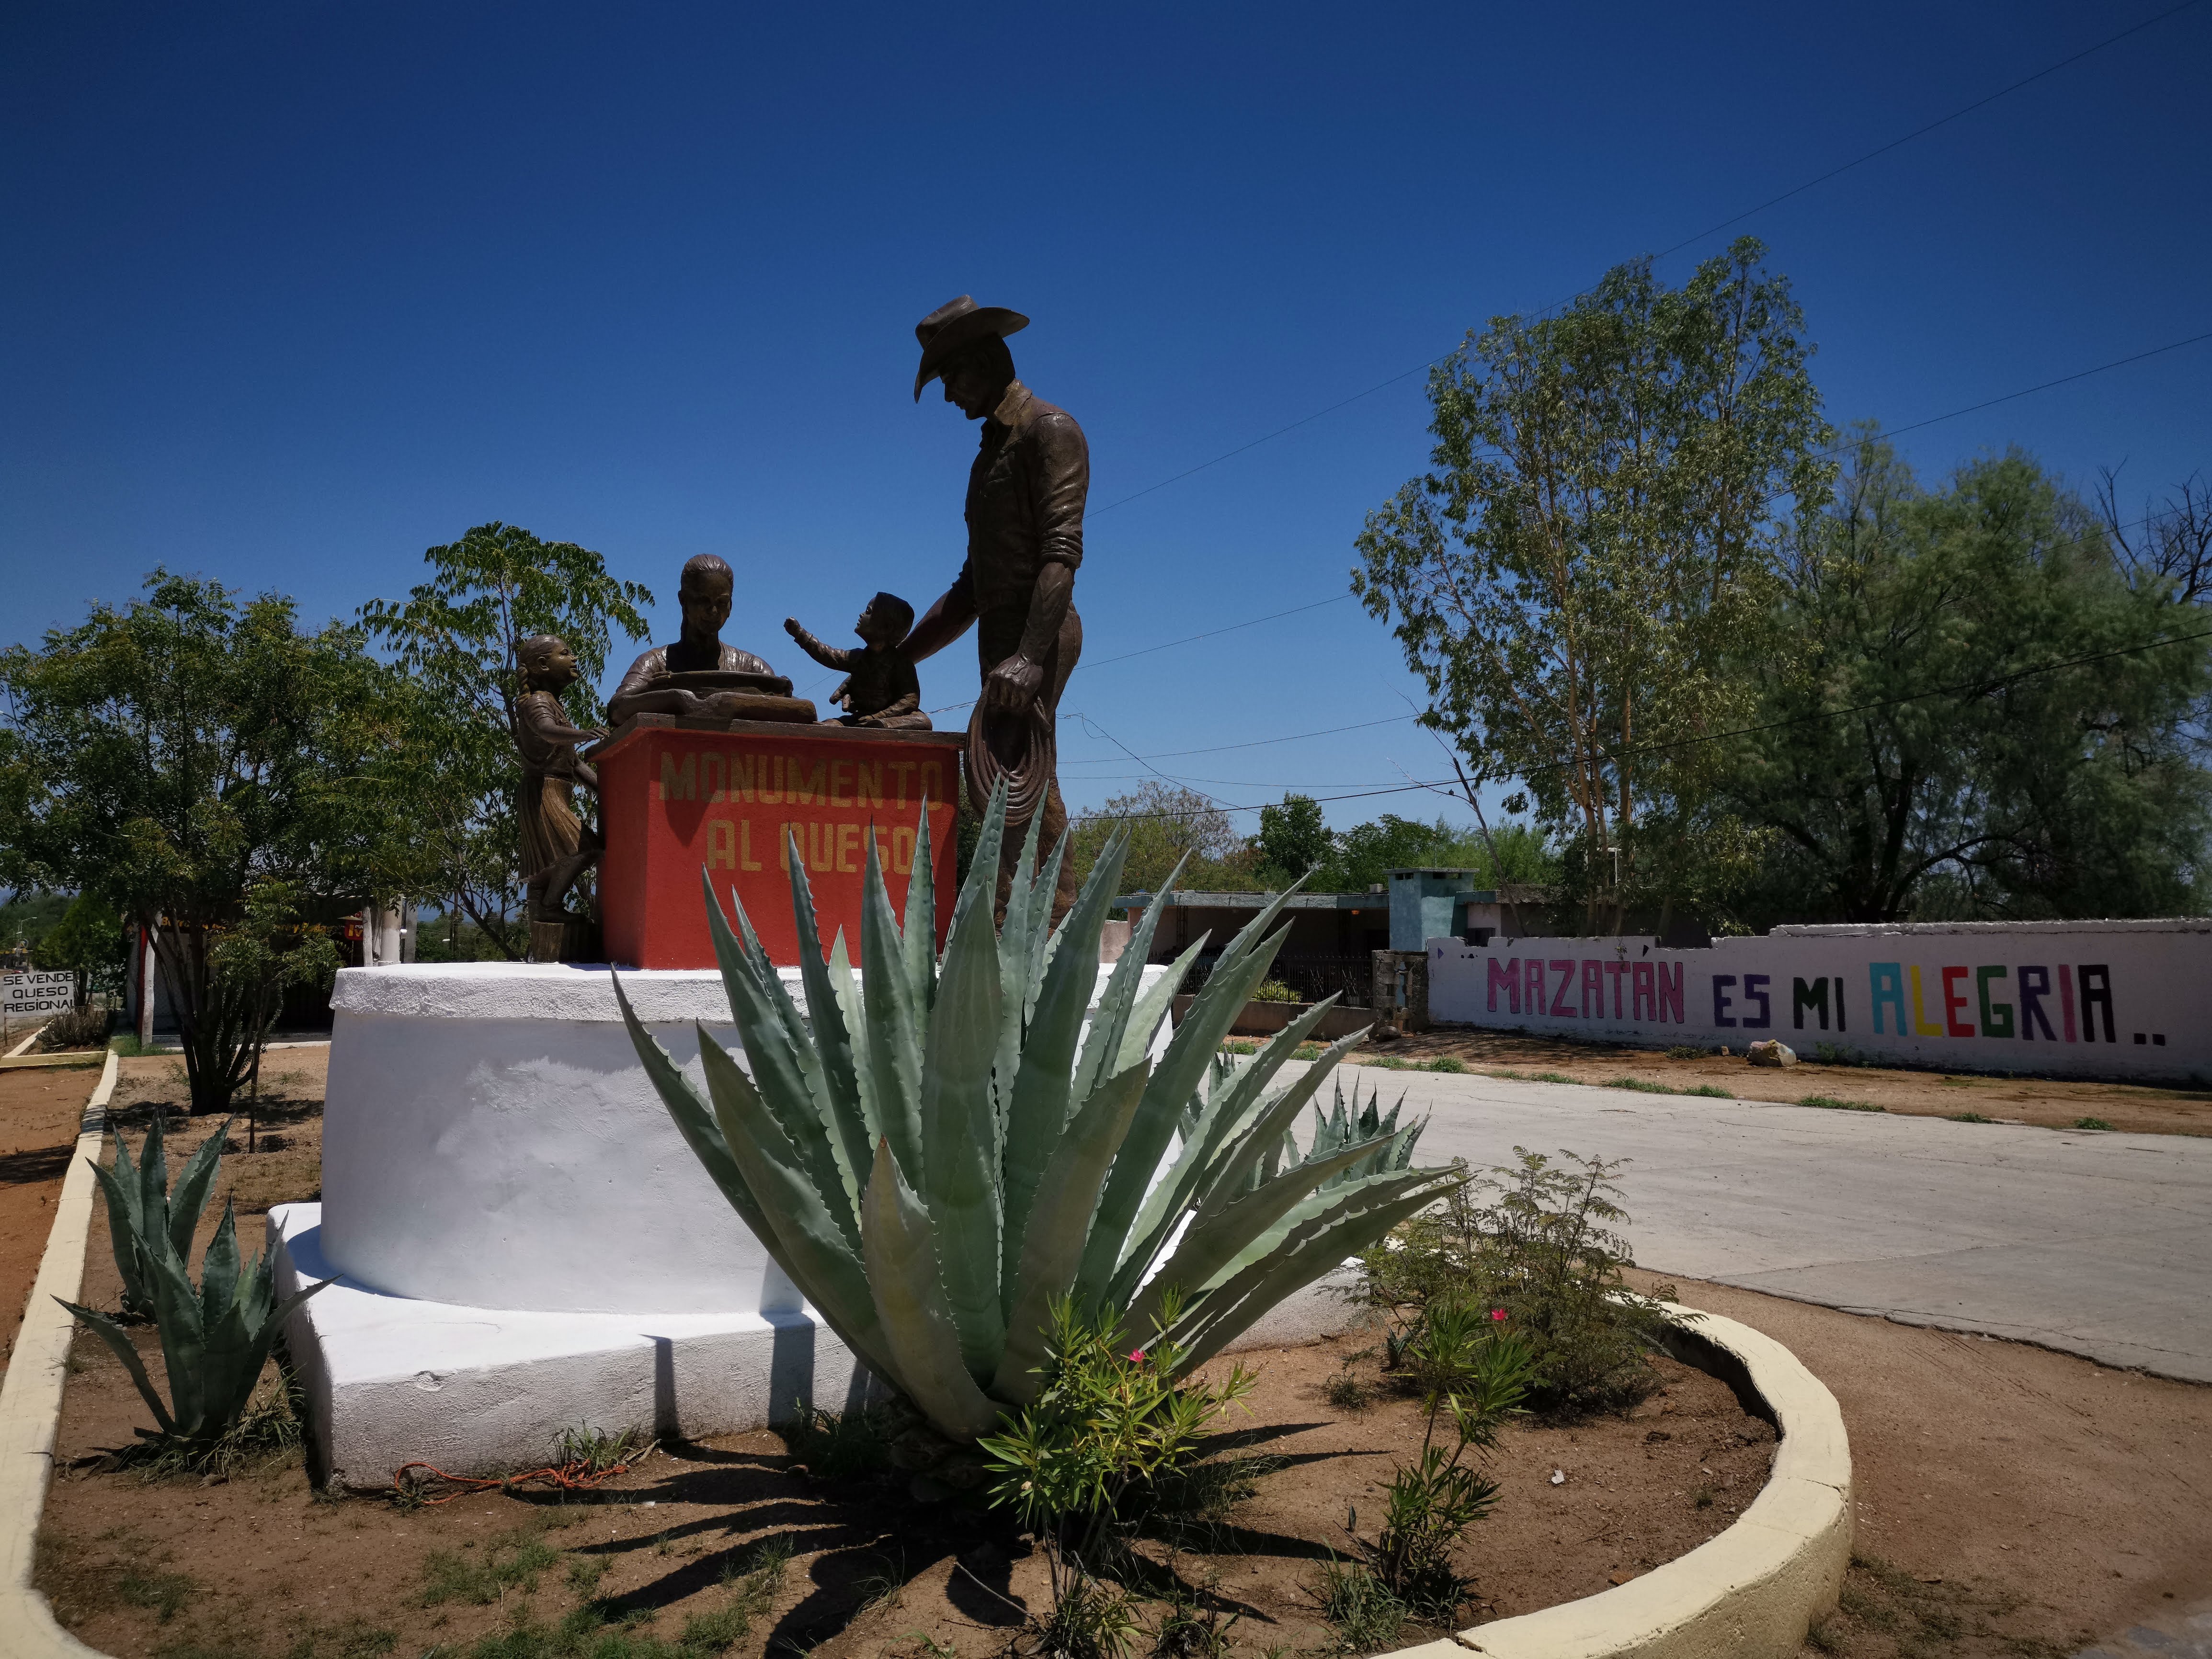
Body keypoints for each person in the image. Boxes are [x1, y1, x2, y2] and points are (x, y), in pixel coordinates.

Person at [899, 295, 1084, 922]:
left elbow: (1060, 555)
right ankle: (1032, 914)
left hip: (1040, 631)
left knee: (1017, 775)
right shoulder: (987, 460)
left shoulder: (1049, 431)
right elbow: (969, 590)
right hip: (1000, 638)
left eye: (950, 377)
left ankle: (1038, 920)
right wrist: (898, 659)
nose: (948, 394)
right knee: (1007, 779)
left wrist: (1031, 656)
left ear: (981, 360)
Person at [606, 554, 780, 725]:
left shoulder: (752, 668)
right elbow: (618, 709)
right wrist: (656, 690)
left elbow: (784, 706)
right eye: (703, 600)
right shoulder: (655, 663)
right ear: (684, 601)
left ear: (730, 606)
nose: (713, 611)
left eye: (721, 602)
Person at [511, 635, 603, 932]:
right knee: (586, 848)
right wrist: (582, 734)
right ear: (542, 665)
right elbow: (546, 730)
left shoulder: (552, 702)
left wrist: (607, 789)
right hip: (543, 791)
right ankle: (550, 907)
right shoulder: (537, 702)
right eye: (565, 653)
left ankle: (545, 907)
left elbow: (574, 765)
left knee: (551, 866)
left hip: (553, 790)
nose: (574, 658)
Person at [783, 592, 930, 728]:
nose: (861, 615)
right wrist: (800, 634)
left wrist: (879, 716)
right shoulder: (857, 658)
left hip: (888, 718)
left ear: (886, 627)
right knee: (834, 724)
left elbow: (910, 700)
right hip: (861, 718)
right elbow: (828, 655)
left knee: (922, 721)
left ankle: (879, 726)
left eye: (869, 612)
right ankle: (860, 726)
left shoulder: (901, 664)